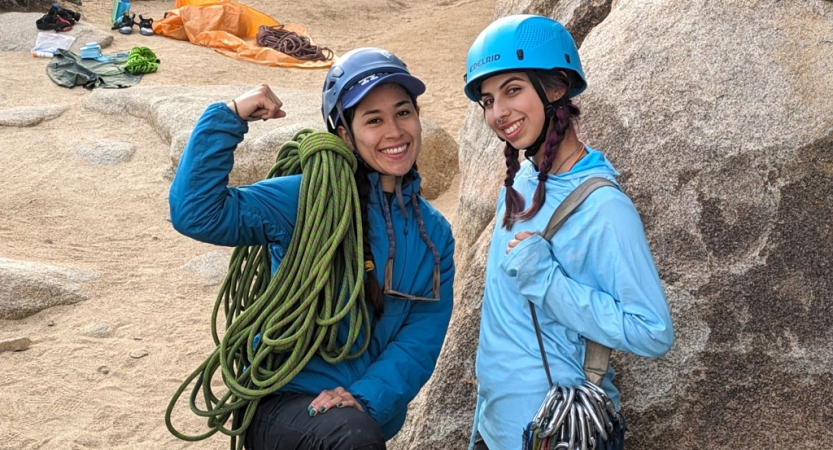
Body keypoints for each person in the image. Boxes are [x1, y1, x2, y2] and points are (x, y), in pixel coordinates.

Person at [168, 47, 455, 449]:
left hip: (358, 420)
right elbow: (197, 213)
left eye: (403, 112)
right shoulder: (306, 199)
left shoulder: (433, 233)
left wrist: (365, 397)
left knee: (353, 434)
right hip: (281, 403)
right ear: (343, 133)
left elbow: (420, 339)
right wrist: (230, 116)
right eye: (373, 120)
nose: (395, 132)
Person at [462, 15, 675, 450]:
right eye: (487, 100)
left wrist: (549, 282)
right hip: (496, 427)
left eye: (513, 90)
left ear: (556, 88)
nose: (498, 113)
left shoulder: (603, 207)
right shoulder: (519, 185)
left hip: (557, 431)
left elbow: (652, 331)